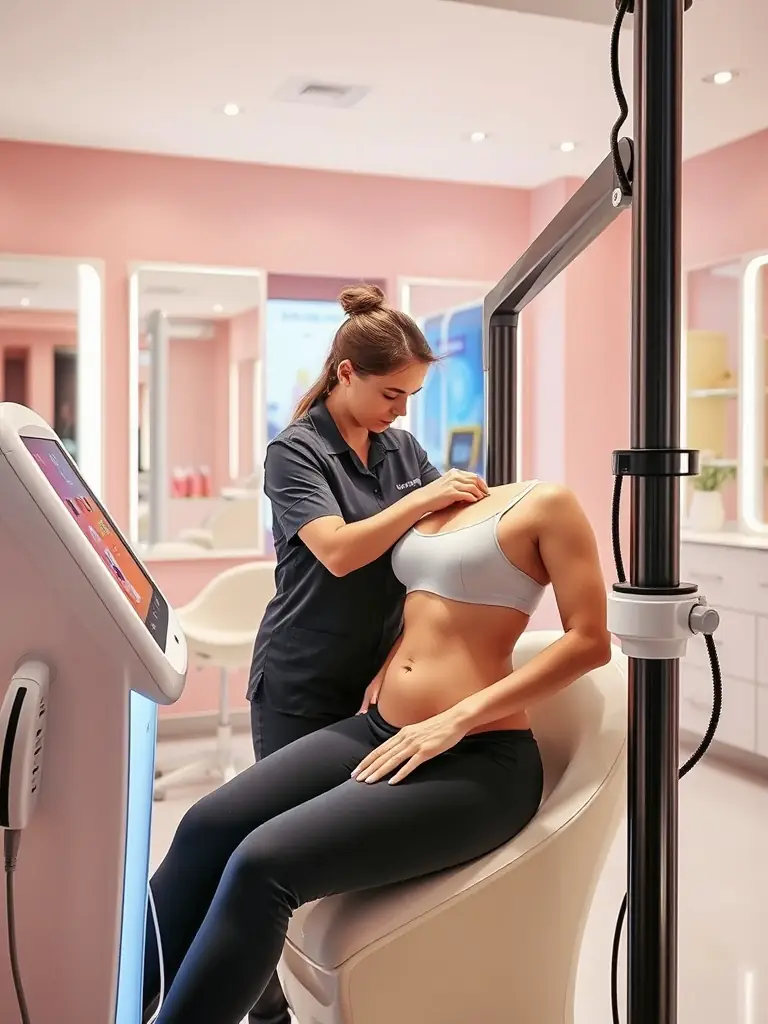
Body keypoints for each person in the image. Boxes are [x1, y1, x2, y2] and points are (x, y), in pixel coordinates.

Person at [142, 475, 612, 1024]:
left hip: (477, 757)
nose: (398, 420)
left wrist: (455, 718)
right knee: (206, 826)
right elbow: (425, 605)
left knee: (261, 865)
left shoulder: (548, 503)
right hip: (382, 730)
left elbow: (590, 642)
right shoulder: (439, 497)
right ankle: (116, 1003)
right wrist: (395, 663)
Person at [243, 284, 490, 1024]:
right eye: (391, 394)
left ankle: (347, 999)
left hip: (378, 689)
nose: (402, 412)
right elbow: (341, 552)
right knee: (271, 859)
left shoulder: (400, 449)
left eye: (411, 396)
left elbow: (431, 553)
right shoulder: (295, 451)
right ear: (345, 372)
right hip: (301, 680)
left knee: (344, 860)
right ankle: (267, 1011)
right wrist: (421, 499)